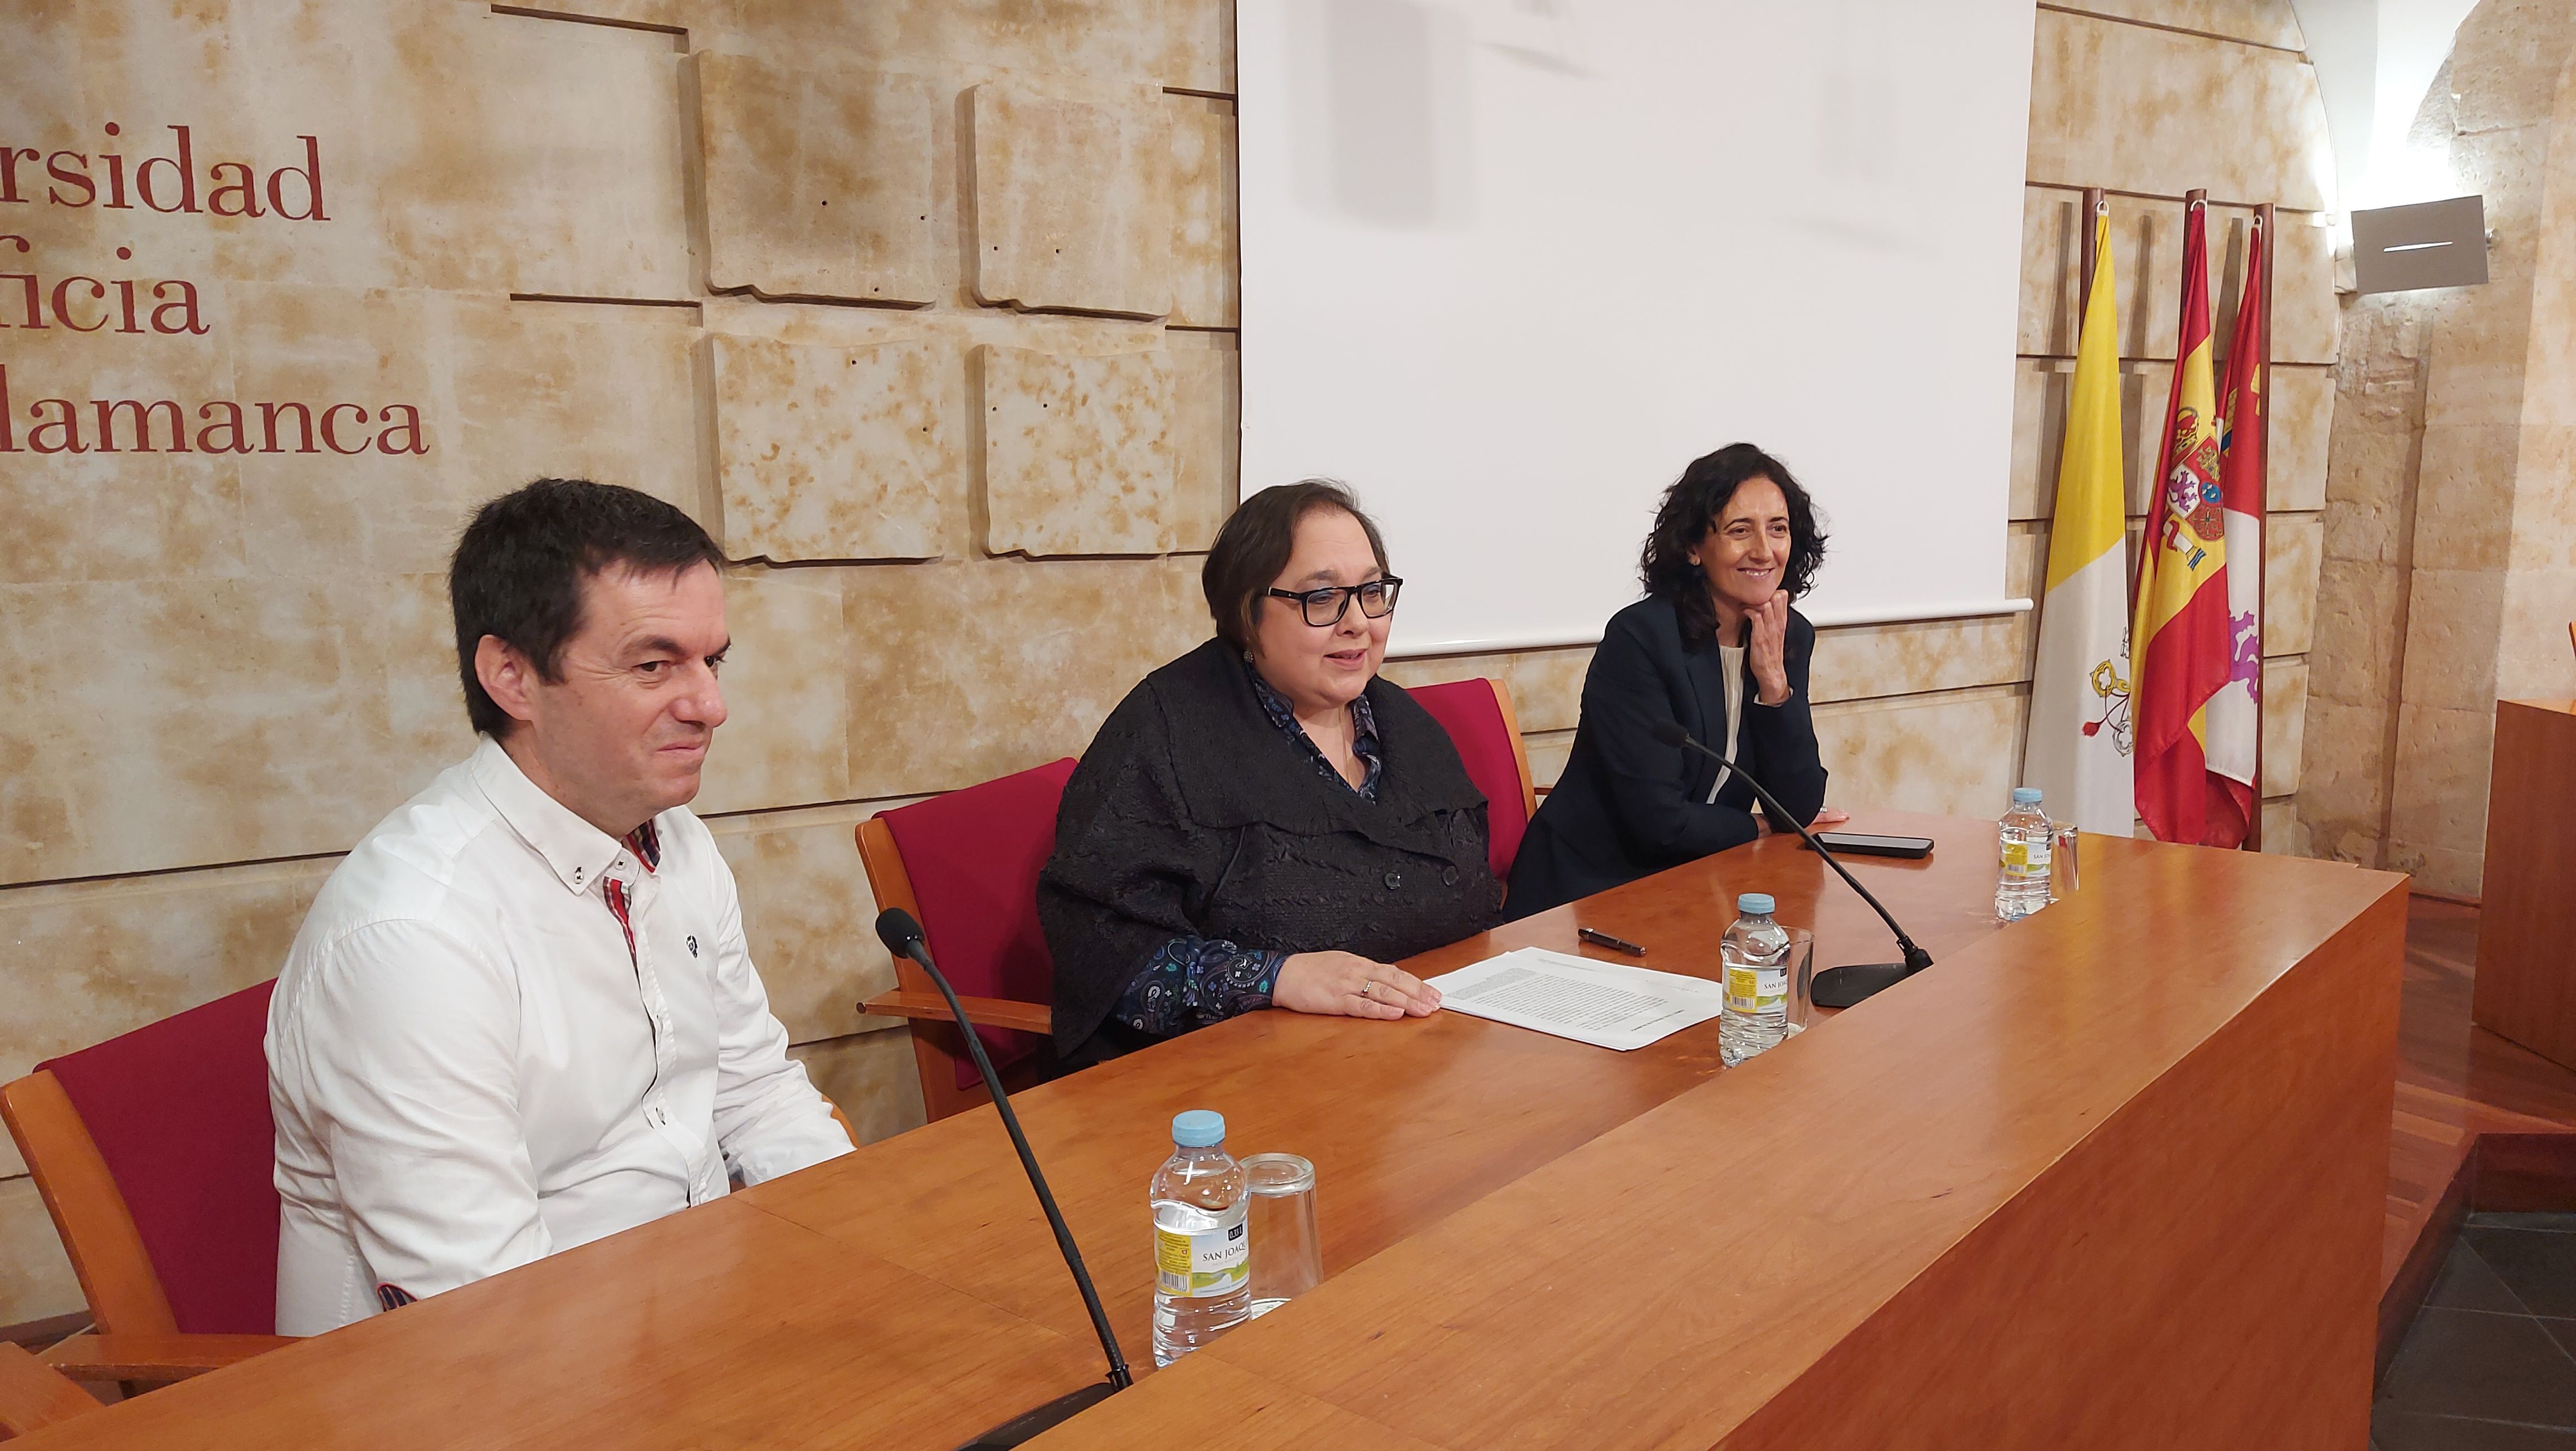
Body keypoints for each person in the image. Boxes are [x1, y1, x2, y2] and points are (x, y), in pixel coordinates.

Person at [266, 479, 853, 1335]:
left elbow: (753, 1091)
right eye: (655, 665)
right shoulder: (414, 937)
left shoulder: (677, 841)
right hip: (459, 1391)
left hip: (685, 1311)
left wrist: (867, 1246)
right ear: (512, 675)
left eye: (712, 660)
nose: (711, 707)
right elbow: (487, 1311)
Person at [1040, 480, 1504, 1069]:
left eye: (1371, 592)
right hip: (1227, 1084)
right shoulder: (1163, 732)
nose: (1357, 622)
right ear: (1246, 611)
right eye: (1323, 598)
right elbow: (1101, 954)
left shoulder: (1404, 724)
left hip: (1421, 1059)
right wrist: (1276, 977)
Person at [1506, 444, 1841, 918]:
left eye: (1779, 530)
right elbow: (1659, 822)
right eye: (1739, 531)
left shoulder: (1788, 635)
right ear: (1692, 547)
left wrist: (1773, 685)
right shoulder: (1642, 639)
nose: (1764, 551)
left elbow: (1798, 806)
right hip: (1593, 890)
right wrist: (1756, 826)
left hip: (1698, 884)